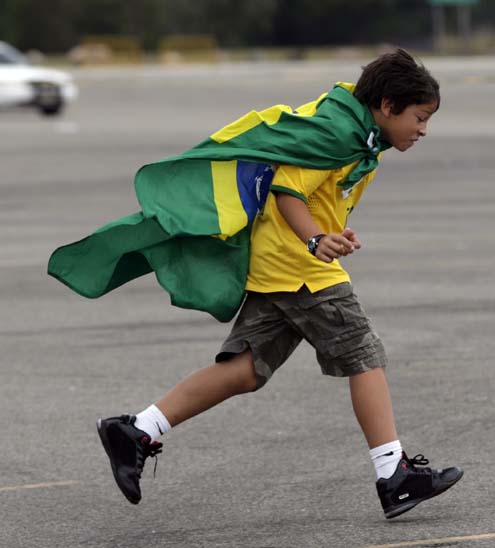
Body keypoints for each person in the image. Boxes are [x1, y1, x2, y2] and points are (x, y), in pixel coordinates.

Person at [96, 48, 463, 519]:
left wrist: (331, 230)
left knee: (246, 370)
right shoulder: (337, 133)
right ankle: (394, 474)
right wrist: (315, 241)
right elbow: (287, 187)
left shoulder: (354, 130)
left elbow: (315, 190)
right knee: (363, 355)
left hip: (282, 263)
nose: (423, 130)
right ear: (389, 105)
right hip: (300, 267)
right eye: (419, 117)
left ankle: (138, 430)